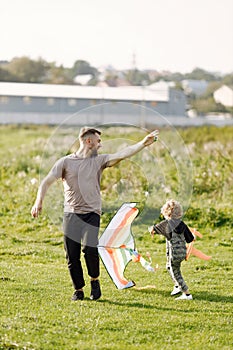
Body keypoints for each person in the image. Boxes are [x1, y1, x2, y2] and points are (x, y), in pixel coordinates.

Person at [31, 126, 159, 301]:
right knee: (72, 254)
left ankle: (95, 281)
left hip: (92, 213)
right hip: (71, 214)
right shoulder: (65, 162)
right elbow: (45, 182)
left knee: (90, 249)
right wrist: (38, 202)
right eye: (98, 141)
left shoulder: (99, 161)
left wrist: (143, 144)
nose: (101, 145)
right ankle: (78, 290)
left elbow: (122, 154)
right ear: (88, 141)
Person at [148, 199, 194, 300]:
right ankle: (177, 286)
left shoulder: (166, 224)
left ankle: (187, 294)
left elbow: (154, 229)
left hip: (174, 253)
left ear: (167, 213)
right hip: (182, 252)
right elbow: (190, 239)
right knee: (169, 267)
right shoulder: (182, 224)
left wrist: (150, 229)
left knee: (175, 272)